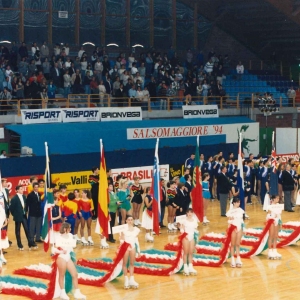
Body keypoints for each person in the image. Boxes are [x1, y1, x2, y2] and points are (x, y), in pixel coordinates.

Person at [54, 222, 86, 300]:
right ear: (65, 229)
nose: (70, 229)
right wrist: (61, 252)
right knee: (62, 275)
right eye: (69, 228)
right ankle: (62, 292)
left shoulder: (71, 236)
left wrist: (73, 258)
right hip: (61, 257)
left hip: (68, 257)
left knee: (75, 274)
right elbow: (53, 249)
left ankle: (77, 292)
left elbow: (71, 248)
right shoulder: (58, 237)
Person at [10, 185, 34, 250]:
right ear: (17, 190)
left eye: (22, 189)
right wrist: (15, 215)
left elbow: (26, 205)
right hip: (18, 216)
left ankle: (30, 243)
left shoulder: (24, 197)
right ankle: (19, 244)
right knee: (17, 230)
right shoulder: (14, 199)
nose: (22, 190)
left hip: (23, 215)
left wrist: (25, 211)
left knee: (27, 229)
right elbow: (11, 208)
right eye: (21, 189)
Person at [121, 215, 140, 289]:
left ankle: (131, 279)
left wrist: (139, 251)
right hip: (125, 248)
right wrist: (123, 240)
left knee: (132, 263)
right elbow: (121, 241)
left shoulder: (136, 229)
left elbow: (136, 241)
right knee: (125, 263)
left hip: (133, 247)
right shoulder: (123, 230)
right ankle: (126, 279)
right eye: (128, 220)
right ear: (126, 221)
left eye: (131, 220)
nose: (130, 221)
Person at [226, 197, 244, 268]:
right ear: (233, 203)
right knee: (233, 244)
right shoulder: (230, 211)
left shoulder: (241, 210)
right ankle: (232, 259)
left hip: (239, 227)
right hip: (233, 228)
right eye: (237, 202)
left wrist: (243, 229)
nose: (238, 203)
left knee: (238, 244)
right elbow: (229, 221)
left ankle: (238, 258)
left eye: (239, 202)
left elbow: (242, 220)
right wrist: (230, 220)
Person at [180, 208, 198, 275]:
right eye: (188, 212)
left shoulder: (195, 221)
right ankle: (185, 267)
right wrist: (184, 235)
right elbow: (182, 229)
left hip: (192, 238)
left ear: (193, 213)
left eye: (191, 212)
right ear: (187, 213)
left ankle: (190, 266)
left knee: (191, 252)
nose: (190, 214)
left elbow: (195, 229)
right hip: (186, 238)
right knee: (186, 252)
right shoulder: (184, 220)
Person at [266, 195, 283, 259]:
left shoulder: (278, 205)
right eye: (277, 198)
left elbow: (279, 215)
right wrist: (272, 217)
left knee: (276, 236)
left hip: (277, 221)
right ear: (273, 199)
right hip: (271, 221)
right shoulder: (270, 206)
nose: (278, 199)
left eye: (278, 198)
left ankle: (275, 250)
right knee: (271, 236)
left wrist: (280, 222)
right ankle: (270, 251)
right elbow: (267, 216)